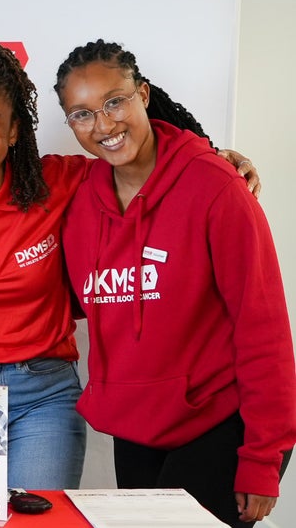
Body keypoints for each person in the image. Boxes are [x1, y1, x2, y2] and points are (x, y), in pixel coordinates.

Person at [0, 39, 260, 491]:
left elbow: (144, 161)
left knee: (37, 524)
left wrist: (211, 155)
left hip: (43, 391)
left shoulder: (64, 181)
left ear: (14, 131)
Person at [53, 39, 296, 528]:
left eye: (114, 101)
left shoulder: (214, 187)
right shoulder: (80, 206)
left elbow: (263, 328)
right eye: (82, 114)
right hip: (138, 429)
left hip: (220, 424)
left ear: (143, 94)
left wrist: (263, 457)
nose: (103, 125)